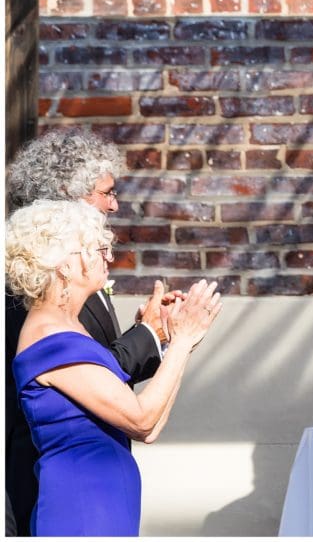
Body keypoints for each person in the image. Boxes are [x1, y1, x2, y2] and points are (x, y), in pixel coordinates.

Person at [7, 200, 221, 535]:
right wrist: (180, 341)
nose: (109, 256)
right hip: (80, 504)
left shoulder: (71, 328)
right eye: (99, 248)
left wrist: (182, 342)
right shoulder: (49, 337)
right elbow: (141, 418)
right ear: (65, 264)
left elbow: (150, 428)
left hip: (107, 501)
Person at [5, 129, 172, 535]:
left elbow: (96, 366)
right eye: (106, 192)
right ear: (69, 191)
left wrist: (153, 336)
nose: (114, 205)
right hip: (51, 473)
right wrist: (149, 334)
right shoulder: (29, 286)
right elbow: (70, 365)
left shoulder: (78, 279)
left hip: (103, 474)